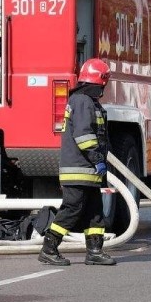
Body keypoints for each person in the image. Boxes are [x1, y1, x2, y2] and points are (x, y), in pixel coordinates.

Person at [38, 58, 116, 267]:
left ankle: (95, 252)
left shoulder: (87, 101)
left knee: (94, 212)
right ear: (101, 80)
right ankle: (49, 248)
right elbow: (84, 136)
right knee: (72, 209)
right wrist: (97, 159)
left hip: (88, 170)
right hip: (80, 169)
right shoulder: (82, 101)